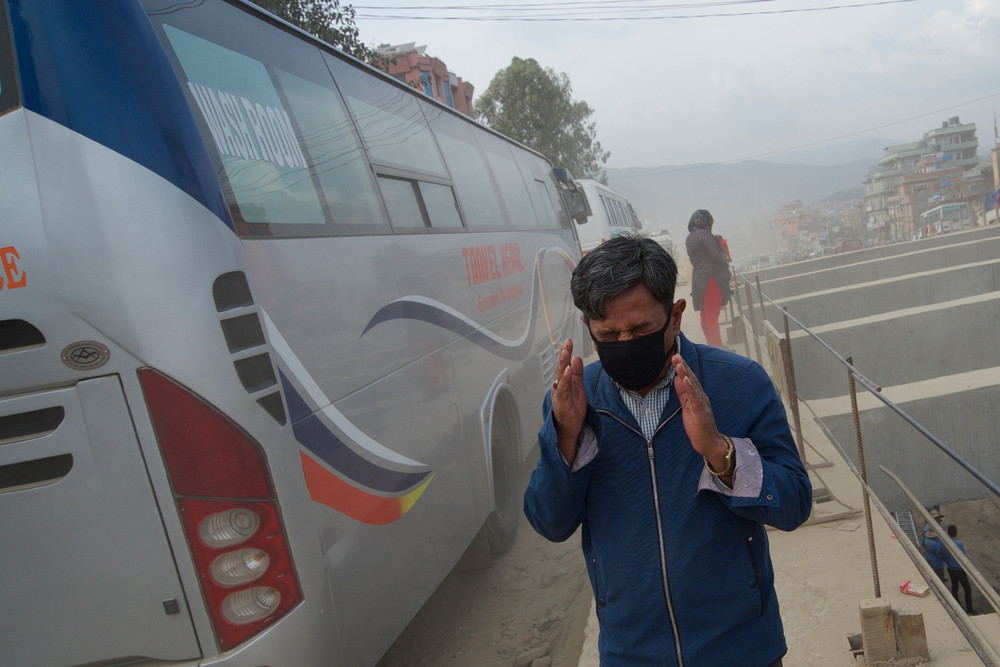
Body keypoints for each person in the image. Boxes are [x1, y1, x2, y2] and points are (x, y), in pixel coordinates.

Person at [523, 234, 812, 666]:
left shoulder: (741, 385)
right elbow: (549, 522)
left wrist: (719, 452)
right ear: (589, 330)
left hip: (742, 650)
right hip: (631, 654)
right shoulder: (574, 403)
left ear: (674, 317)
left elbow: (794, 504)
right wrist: (566, 434)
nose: (624, 341)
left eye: (640, 329)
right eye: (608, 334)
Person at [685, 209, 732, 347]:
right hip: (711, 279)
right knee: (712, 315)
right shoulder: (705, 235)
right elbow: (715, 254)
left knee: (704, 314)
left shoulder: (690, 237)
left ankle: (712, 345)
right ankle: (718, 348)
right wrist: (725, 257)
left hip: (698, 279)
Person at [944, 524, 975, 613]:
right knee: (967, 589)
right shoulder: (958, 544)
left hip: (951, 569)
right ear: (956, 533)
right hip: (959, 569)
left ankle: (957, 608)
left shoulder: (945, 543)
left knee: (954, 587)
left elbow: (942, 555)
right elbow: (963, 556)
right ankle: (969, 609)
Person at [921, 509, 947, 581]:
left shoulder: (934, 527)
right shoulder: (928, 529)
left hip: (932, 554)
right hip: (935, 557)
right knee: (937, 572)